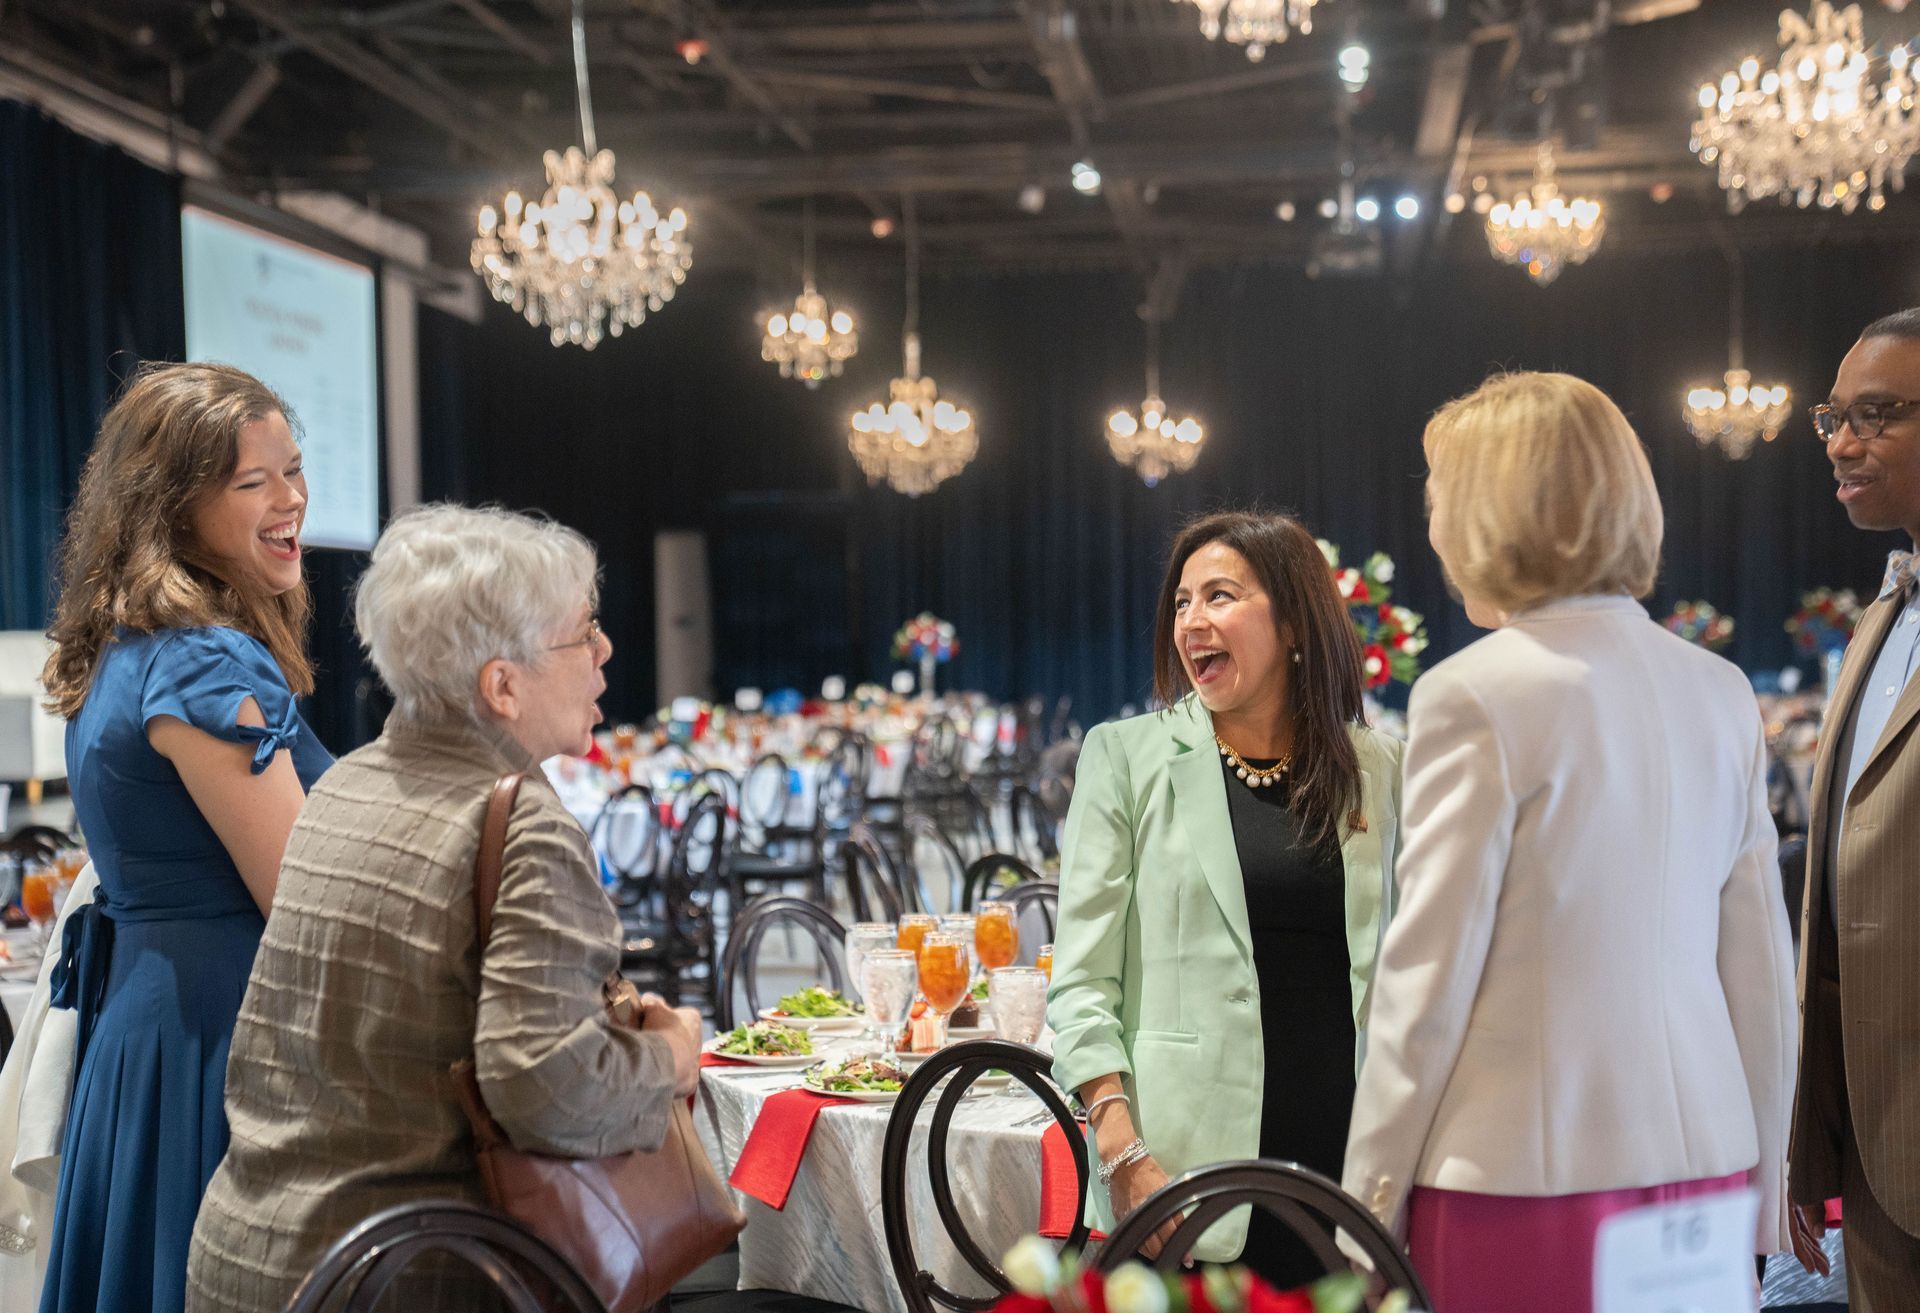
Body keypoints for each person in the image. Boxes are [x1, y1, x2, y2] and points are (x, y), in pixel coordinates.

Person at [1342, 371, 1796, 1313]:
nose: (1431, 526)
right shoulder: (1718, 689)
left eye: (1438, 498)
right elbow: (1760, 973)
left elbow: (1424, 988)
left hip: (1520, 1183)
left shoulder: (1476, 693)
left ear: (1487, 510)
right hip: (1702, 1167)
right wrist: (1765, 1189)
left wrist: (1366, 1205)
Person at [186, 503, 703, 1313]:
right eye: (584, 633)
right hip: (414, 1276)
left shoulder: (343, 785)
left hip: (251, 1260)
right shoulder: (521, 826)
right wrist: (672, 1057)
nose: (605, 651)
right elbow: (546, 1089)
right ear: (503, 685)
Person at [36, 362, 333, 1313]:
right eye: (256, 482)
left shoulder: (130, 650)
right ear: (172, 506)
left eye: (293, 469)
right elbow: (300, 894)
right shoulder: (204, 660)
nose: (291, 499)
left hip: (154, 1028)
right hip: (219, 1036)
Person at [1047, 510, 1405, 1280]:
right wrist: (1123, 1153)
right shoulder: (1127, 758)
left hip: (1348, 1167)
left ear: (1294, 621)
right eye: (1182, 602)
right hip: (1184, 1175)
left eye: (1219, 596)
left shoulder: (1380, 768)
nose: (1191, 621)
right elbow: (1080, 984)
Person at [1787, 307, 1920, 1310]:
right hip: (1878, 1150)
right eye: (1833, 414)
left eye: (1876, 414)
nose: (1840, 438)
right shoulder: (1883, 613)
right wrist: (1809, 1128)